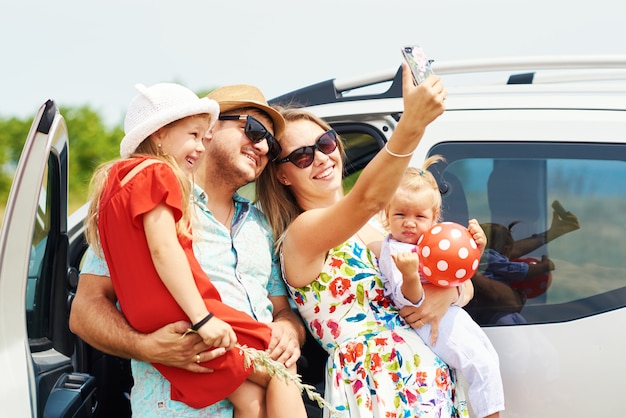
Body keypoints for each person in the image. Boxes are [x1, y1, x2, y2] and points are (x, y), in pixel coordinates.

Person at [70, 84, 306, 417]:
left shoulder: (263, 226)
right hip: (174, 408)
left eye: (272, 141)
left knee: (268, 385)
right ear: (210, 130)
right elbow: (84, 311)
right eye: (253, 130)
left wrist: (287, 331)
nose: (263, 146)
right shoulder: (149, 201)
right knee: (283, 376)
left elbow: (281, 311)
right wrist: (147, 347)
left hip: (253, 388)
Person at [256, 64, 467, 417]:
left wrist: (449, 294)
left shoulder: (382, 224)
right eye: (302, 156)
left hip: (428, 385)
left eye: (324, 143)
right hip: (373, 390)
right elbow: (365, 198)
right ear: (282, 175)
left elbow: (454, 274)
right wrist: (412, 123)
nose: (321, 158)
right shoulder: (302, 234)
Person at [376, 159, 504, 418]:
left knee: (488, 362)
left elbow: (457, 274)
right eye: (400, 214)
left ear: (434, 219)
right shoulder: (396, 251)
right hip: (430, 324)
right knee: (480, 367)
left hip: (448, 316)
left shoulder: (428, 244)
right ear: (387, 215)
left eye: (419, 216)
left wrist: (476, 247)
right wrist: (410, 275)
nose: (410, 223)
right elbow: (409, 299)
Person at [466, 204, 580, 326]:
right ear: (506, 248)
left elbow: (514, 251)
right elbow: (518, 270)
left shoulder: (481, 255)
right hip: (490, 315)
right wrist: (544, 267)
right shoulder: (491, 260)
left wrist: (551, 233)